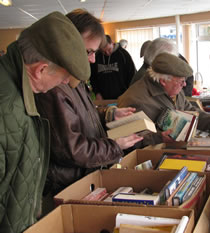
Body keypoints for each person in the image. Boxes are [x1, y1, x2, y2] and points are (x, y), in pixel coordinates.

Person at [34, 9, 143, 212]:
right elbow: (71, 149)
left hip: (82, 179)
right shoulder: (54, 85)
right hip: (67, 186)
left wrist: (109, 115)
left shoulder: (73, 77)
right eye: (88, 52)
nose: (92, 60)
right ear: (66, 43)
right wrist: (115, 146)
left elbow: (81, 114)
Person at [0, 11, 90, 233]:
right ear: (40, 69)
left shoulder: (20, 91)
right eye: (63, 78)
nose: (65, 83)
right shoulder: (7, 107)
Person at [118, 52, 210, 148]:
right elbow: (128, 140)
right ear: (163, 81)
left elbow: (190, 111)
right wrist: (159, 137)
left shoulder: (173, 89)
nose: (185, 84)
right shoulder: (134, 100)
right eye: (181, 81)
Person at [130, 37, 194, 96]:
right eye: (171, 59)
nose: (173, 63)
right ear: (158, 58)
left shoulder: (149, 73)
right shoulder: (147, 78)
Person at [90, 34, 136, 99]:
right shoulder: (97, 56)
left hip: (123, 96)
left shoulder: (124, 55)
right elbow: (93, 77)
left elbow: (132, 75)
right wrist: (97, 92)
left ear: (112, 43)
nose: (107, 53)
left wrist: (128, 93)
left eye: (109, 49)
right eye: (103, 51)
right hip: (103, 98)